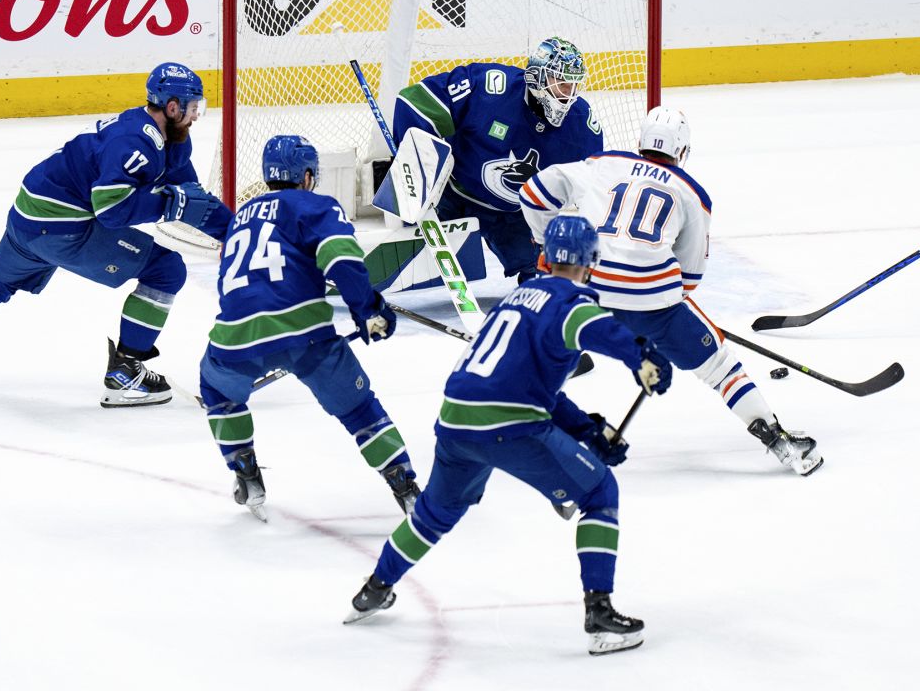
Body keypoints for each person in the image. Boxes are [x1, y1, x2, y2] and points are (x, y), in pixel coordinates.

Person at [344, 212, 672, 656]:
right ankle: (599, 613)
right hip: (508, 425)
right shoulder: (571, 301)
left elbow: (535, 389)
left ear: (544, 256)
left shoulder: (517, 298)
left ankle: (375, 588)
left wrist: (590, 430)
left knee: (434, 513)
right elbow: (596, 329)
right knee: (600, 492)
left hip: (456, 420)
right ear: (591, 261)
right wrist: (641, 355)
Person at [0, 62, 230, 408]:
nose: (198, 114)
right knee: (165, 270)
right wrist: (168, 206)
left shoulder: (167, 139)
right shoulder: (135, 143)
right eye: (193, 106)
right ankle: (126, 372)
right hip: (62, 227)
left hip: (28, 216)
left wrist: (235, 233)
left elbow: (194, 198)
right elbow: (113, 211)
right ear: (171, 106)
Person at [520, 106, 823, 476]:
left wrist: (545, 244)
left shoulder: (602, 163)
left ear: (640, 142)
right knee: (719, 367)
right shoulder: (693, 194)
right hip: (654, 302)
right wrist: (661, 307)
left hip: (588, 290)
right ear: (682, 151)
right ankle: (780, 442)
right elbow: (691, 276)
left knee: (544, 356)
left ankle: (520, 429)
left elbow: (533, 194)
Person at [199, 135, 421, 522]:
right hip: (304, 334)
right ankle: (404, 484)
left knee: (217, 390)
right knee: (359, 410)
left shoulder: (240, 217)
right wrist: (366, 308)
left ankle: (246, 474)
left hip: (232, 337)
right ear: (306, 176)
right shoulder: (315, 205)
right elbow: (341, 259)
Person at [390, 36, 604, 283]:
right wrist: (416, 170)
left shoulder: (581, 124)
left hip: (513, 215)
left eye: (574, 86)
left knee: (543, 275)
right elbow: (415, 102)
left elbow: (595, 188)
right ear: (536, 77)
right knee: (404, 268)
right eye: (562, 84)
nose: (568, 95)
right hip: (449, 195)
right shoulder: (491, 88)